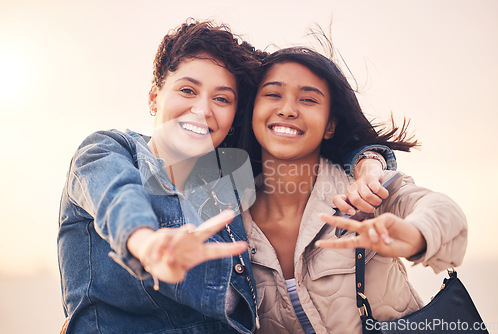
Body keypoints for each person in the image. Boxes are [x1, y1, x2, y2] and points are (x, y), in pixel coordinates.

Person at [57, 21, 395, 334]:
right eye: (187, 90)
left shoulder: (231, 178)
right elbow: (116, 197)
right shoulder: (109, 151)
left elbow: (313, 148)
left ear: (234, 116)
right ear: (154, 96)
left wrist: (368, 162)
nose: (203, 109)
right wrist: (148, 245)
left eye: (221, 99)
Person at [240, 47, 468, 333]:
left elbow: (448, 216)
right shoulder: (230, 221)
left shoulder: (368, 189)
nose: (287, 109)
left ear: (330, 125)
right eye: (273, 94)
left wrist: (414, 235)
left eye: (308, 99)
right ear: (252, 110)